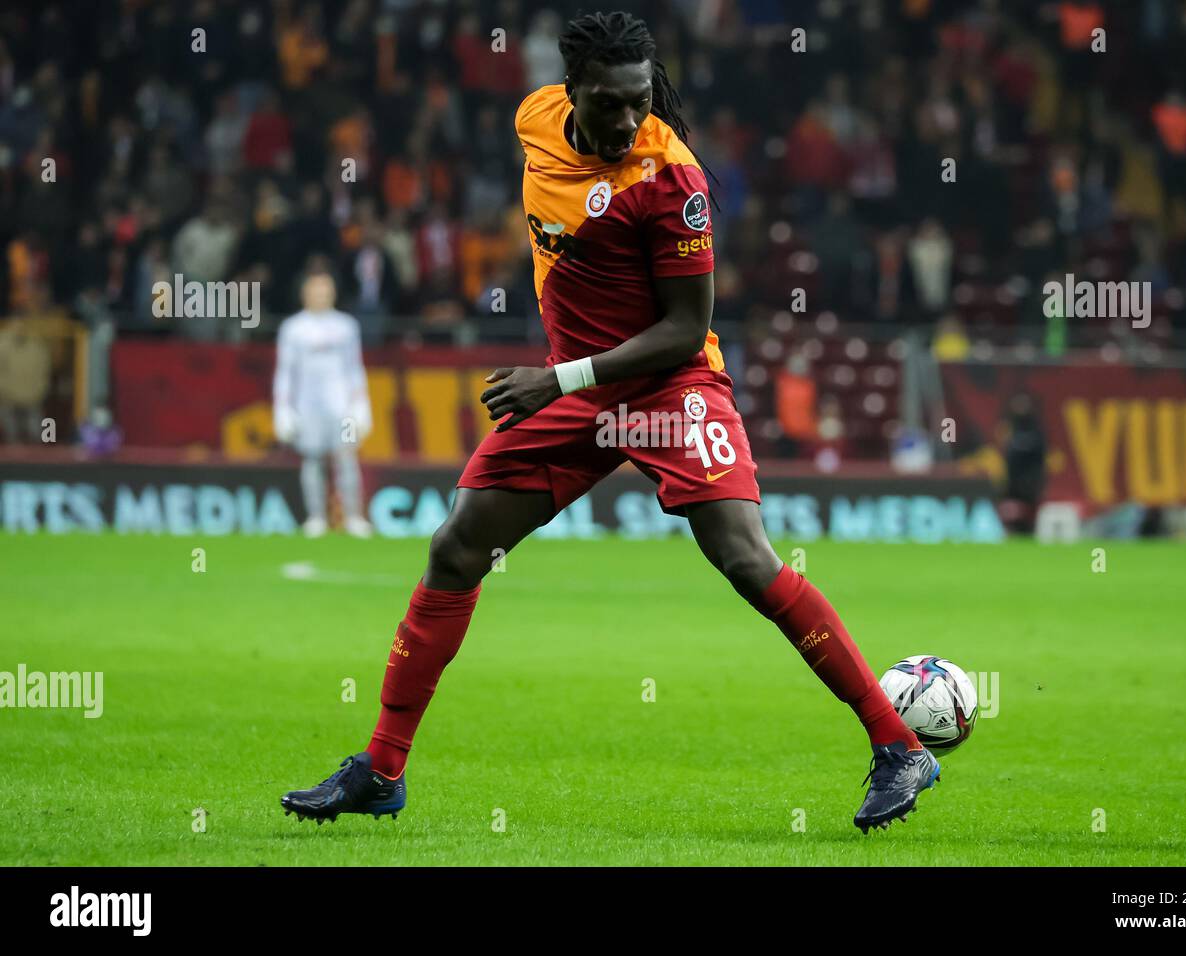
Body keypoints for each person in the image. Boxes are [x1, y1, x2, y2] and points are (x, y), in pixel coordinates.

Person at [281, 10, 939, 833]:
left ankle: (898, 746)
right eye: (609, 103)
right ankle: (382, 769)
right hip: (578, 396)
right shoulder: (533, 121)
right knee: (456, 547)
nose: (627, 119)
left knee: (743, 556)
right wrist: (568, 381)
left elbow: (681, 324)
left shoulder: (674, 181)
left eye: (639, 101)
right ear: (571, 92)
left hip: (668, 385)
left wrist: (559, 376)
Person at [273, 270, 373, 538]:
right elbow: (285, 372)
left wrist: (361, 405)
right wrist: (283, 409)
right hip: (308, 406)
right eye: (316, 290)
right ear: (305, 293)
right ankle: (316, 518)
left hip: (342, 406)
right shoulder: (293, 328)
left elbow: (354, 368)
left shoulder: (346, 326)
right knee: (312, 458)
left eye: (325, 290)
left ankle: (353, 518)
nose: (321, 295)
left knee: (347, 458)